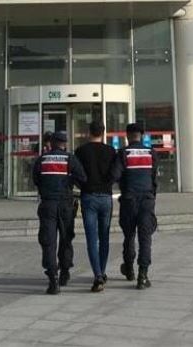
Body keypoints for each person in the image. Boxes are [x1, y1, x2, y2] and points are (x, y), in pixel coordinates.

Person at [32, 130, 86, 295]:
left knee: (48, 241)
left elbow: (36, 180)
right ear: (64, 144)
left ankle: (52, 278)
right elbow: (83, 179)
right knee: (66, 239)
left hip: (48, 204)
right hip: (65, 204)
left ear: (52, 143)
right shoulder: (70, 159)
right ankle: (65, 272)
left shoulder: (42, 159)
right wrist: (70, 182)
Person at [110, 122, 157, 290]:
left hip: (129, 200)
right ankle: (142, 276)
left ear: (127, 136)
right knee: (145, 238)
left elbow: (115, 175)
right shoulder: (151, 153)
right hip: (146, 200)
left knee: (129, 236)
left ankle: (129, 269)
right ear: (141, 136)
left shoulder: (123, 153)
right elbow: (153, 178)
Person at [74, 121, 117, 292]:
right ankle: (102, 272)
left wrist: (82, 186)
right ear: (103, 133)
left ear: (88, 132)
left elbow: (76, 173)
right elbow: (115, 173)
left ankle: (97, 274)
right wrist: (108, 184)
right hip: (106, 197)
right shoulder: (111, 151)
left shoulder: (81, 151)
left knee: (92, 238)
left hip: (88, 196)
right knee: (104, 236)